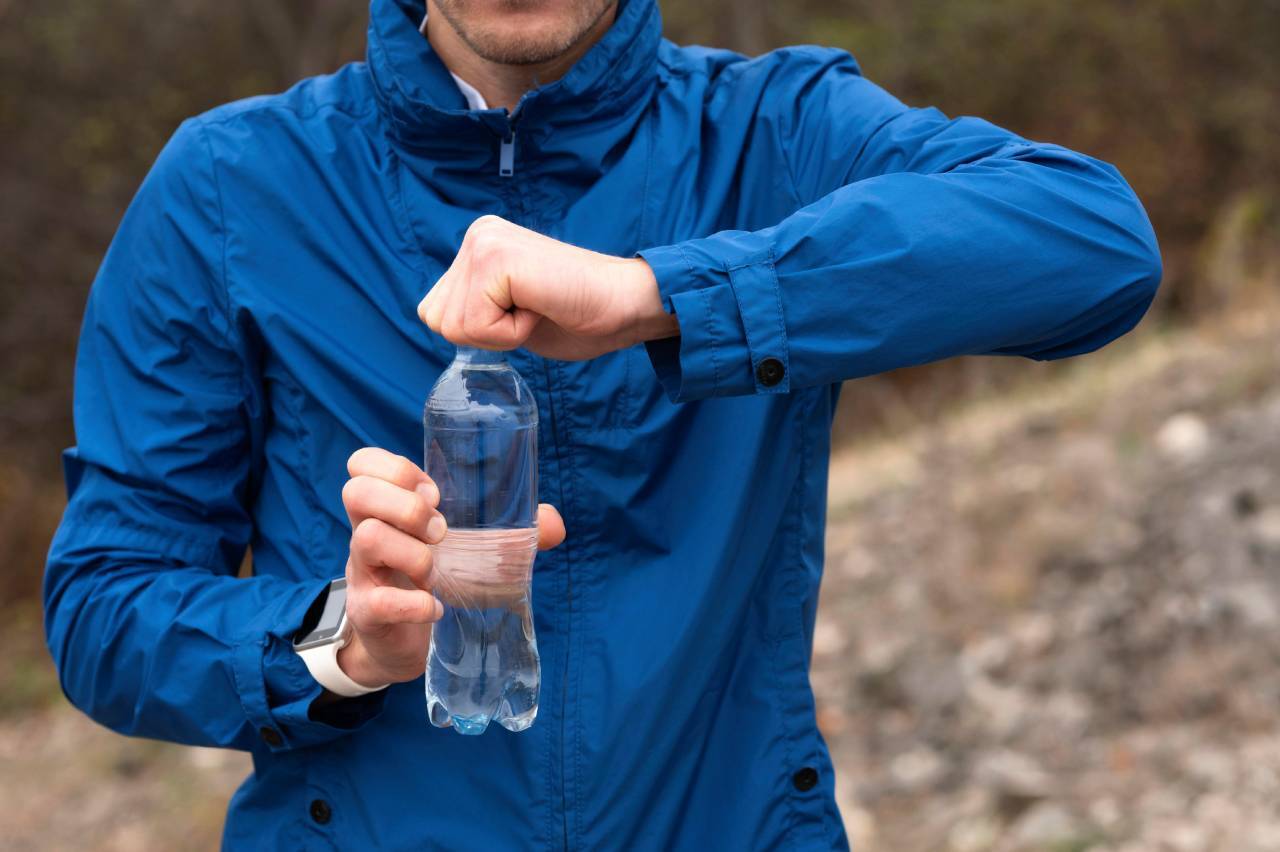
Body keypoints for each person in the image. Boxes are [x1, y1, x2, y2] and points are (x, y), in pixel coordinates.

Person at [43, 0, 1161, 848]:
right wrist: (341, 641)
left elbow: (1091, 245)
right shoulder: (231, 187)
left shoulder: (773, 133)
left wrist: (659, 296)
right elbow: (104, 604)